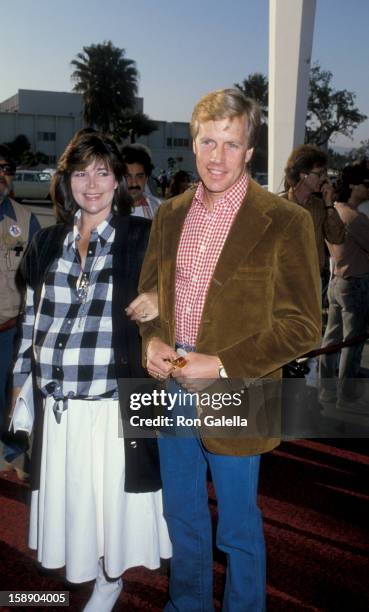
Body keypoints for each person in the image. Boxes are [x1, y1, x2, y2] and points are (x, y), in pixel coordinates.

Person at [138, 88, 321, 611]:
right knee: (182, 513)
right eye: (208, 142)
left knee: (238, 526)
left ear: (250, 151)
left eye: (231, 144)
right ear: (193, 145)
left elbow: (303, 325)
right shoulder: (169, 214)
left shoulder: (286, 220)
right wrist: (150, 341)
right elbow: (150, 300)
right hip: (170, 382)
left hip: (240, 385)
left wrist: (218, 364)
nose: (218, 157)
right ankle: (187, 604)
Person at [12, 132, 171, 612]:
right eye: (81, 172)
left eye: (103, 172)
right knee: (77, 503)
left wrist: (162, 299)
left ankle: (109, 579)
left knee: (111, 507)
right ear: (66, 182)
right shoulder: (46, 242)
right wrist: (22, 388)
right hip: (60, 405)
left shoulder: (142, 236)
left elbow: (189, 291)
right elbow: (29, 318)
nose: (92, 183)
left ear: (119, 180)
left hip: (113, 404)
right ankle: (93, 573)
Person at [0, 143, 40, 478]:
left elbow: (39, 280)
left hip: (10, 331)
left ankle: (12, 455)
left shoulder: (26, 221)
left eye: (6, 169)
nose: (2, 174)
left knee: (11, 398)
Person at [319, 164, 369, 408]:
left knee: (331, 341)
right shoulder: (356, 218)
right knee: (352, 342)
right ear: (352, 186)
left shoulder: (334, 210)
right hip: (356, 284)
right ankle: (346, 395)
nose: (368, 189)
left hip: (336, 282)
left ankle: (326, 391)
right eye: (365, 184)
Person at [282, 144, 345, 274]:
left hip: (314, 281)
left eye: (325, 173)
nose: (324, 178)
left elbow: (337, 238)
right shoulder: (279, 207)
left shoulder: (320, 206)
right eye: (320, 173)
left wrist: (329, 204)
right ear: (302, 175)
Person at [121, 144, 161, 218]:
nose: (134, 183)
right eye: (128, 176)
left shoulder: (159, 209)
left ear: (146, 178)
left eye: (139, 176)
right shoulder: (108, 211)